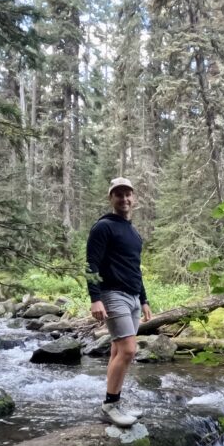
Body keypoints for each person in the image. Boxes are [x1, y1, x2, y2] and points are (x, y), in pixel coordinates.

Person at [86, 177, 152, 426]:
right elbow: (91, 264)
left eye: (128, 194)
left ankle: (115, 401)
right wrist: (95, 299)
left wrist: (144, 299)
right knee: (128, 350)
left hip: (133, 297)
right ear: (111, 198)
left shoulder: (134, 232)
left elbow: (135, 268)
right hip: (112, 294)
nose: (124, 198)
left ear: (133, 198)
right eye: (118, 194)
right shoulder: (103, 227)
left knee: (117, 349)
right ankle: (110, 405)